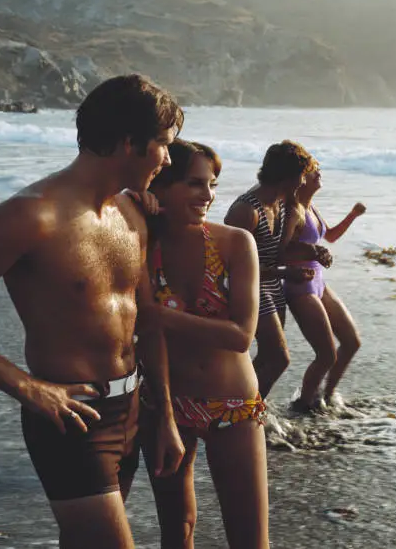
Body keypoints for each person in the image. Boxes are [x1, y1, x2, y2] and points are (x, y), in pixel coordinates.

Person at [0, 74, 186, 549]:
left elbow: (146, 321)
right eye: (163, 144)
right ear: (127, 142)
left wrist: (164, 416)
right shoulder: (31, 216)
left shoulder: (133, 213)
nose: (168, 158)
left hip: (133, 406)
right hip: (72, 417)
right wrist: (28, 388)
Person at [134, 139, 270, 549]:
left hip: (233, 406)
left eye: (211, 184)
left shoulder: (234, 243)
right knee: (177, 533)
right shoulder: (142, 243)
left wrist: (156, 314)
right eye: (194, 184)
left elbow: (241, 335)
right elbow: (149, 338)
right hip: (166, 402)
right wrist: (164, 419)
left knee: (250, 540)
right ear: (161, 185)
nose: (208, 195)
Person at [224, 140, 328, 399]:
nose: (304, 183)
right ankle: (247, 412)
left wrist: (311, 252)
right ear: (287, 177)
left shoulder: (282, 203)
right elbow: (231, 267)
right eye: (301, 177)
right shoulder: (246, 211)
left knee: (269, 357)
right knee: (278, 358)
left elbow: (279, 252)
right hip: (246, 289)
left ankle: (244, 408)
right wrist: (284, 274)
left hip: (270, 285)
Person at [283, 164, 365, 411]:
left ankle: (326, 396)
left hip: (319, 282)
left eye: (318, 168)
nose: (318, 172)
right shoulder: (292, 211)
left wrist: (352, 215)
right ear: (300, 178)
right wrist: (311, 251)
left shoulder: (311, 208)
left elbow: (329, 236)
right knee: (327, 354)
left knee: (351, 342)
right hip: (300, 286)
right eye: (312, 169)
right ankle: (304, 404)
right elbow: (280, 251)